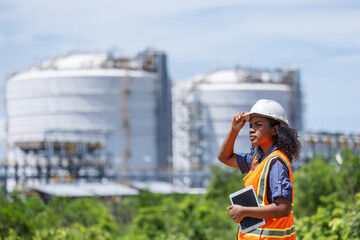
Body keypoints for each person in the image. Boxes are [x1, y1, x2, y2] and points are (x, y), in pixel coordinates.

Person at [217, 99, 300, 240]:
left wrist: (244, 211)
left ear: (275, 129)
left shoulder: (276, 162)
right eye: (250, 125)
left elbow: (283, 208)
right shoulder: (257, 160)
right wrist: (234, 129)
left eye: (258, 125)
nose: (251, 129)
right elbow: (224, 157)